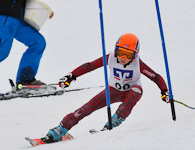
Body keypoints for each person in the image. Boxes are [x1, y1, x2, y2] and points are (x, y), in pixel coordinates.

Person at [41, 33, 170, 143]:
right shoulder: (111, 58)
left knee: (136, 90)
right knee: (87, 108)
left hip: (131, 92)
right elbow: (90, 66)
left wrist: (164, 91)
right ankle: (61, 128)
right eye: (120, 52)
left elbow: (156, 77)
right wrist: (71, 75)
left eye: (128, 55)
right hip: (113, 91)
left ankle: (114, 121)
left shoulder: (138, 64)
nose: (123, 58)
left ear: (135, 55)